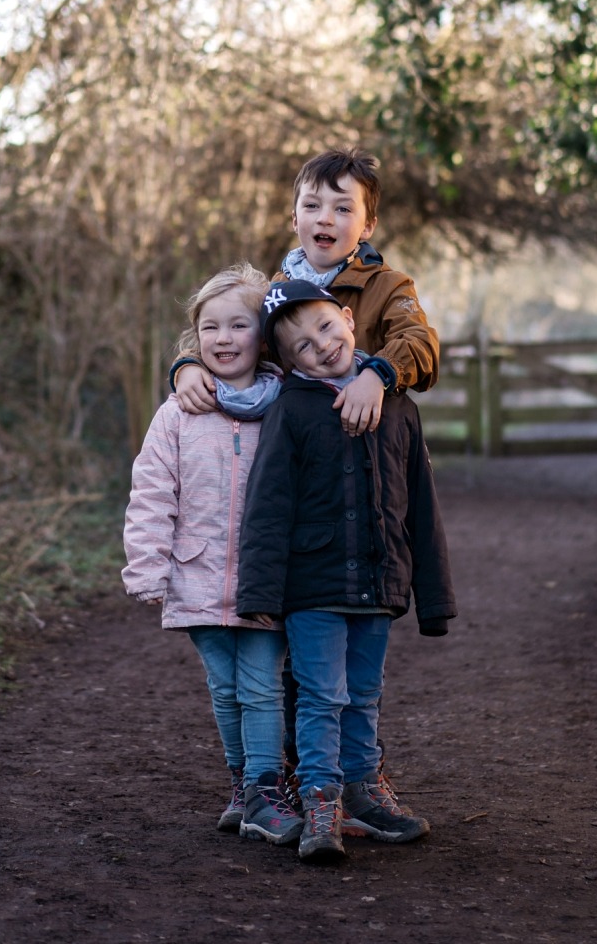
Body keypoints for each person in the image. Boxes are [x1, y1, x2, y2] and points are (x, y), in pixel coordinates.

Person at [237, 280, 456, 865]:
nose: (322, 346)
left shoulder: (398, 406)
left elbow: (421, 502)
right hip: (313, 588)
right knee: (320, 695)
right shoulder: (292, 410)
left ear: (350, 318)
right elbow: (268, 505)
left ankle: (362, 790)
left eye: (327, 328)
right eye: (303, 346)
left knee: (364, 693)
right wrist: (259, 592)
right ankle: (319, 798)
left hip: (379, 585)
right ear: (286, 364)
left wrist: (433, 599)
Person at [120, 264, 304, 846]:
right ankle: (242, 786)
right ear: (194, 338)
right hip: (196, 574)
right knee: (224, 689)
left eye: (238, 326)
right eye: (210, 328)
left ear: (265, 336)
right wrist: (147, 565)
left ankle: (265, 792)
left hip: (266, 580)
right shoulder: (178, 414)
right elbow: (152, 491)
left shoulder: (287, 408)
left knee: (260, 686)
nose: (223, 339)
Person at [172, 148, 441, 431]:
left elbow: (421, 343)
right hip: (301, 445)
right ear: (295, 219)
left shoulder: (388, 286)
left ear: (368, 226)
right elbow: (234, 337)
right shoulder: (273, 293)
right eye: (312, 206)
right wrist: (188, 366)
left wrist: (377, 375)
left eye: (343, 208)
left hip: (370, 442)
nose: (325, 218)